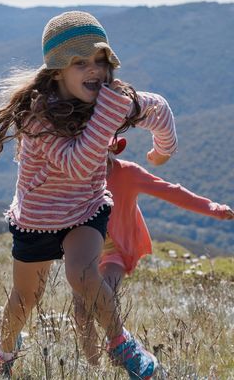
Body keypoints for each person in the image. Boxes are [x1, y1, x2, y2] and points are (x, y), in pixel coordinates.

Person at [0, 10, 178, 379]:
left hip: (85, 212)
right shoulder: (37, 117)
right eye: (80, 63)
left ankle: (122, 345)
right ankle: (4, 353)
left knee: (83, 274)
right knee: (25, 299)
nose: (95, 70)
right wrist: (108, 116)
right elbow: (76, 164)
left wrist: (163, 149)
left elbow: (157, 109)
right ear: (58, 71)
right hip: (36, 222)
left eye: (100, 60)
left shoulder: (111, 99)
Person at [74, 137, 234, 365]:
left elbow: (171, 192)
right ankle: (94, 367)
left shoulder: (127, 173)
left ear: (111, 148)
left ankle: (121, 349)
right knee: (80, 310)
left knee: (101, 296)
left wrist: (214, 209)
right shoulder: (73, 174)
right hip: (83, 250)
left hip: (116, 250)